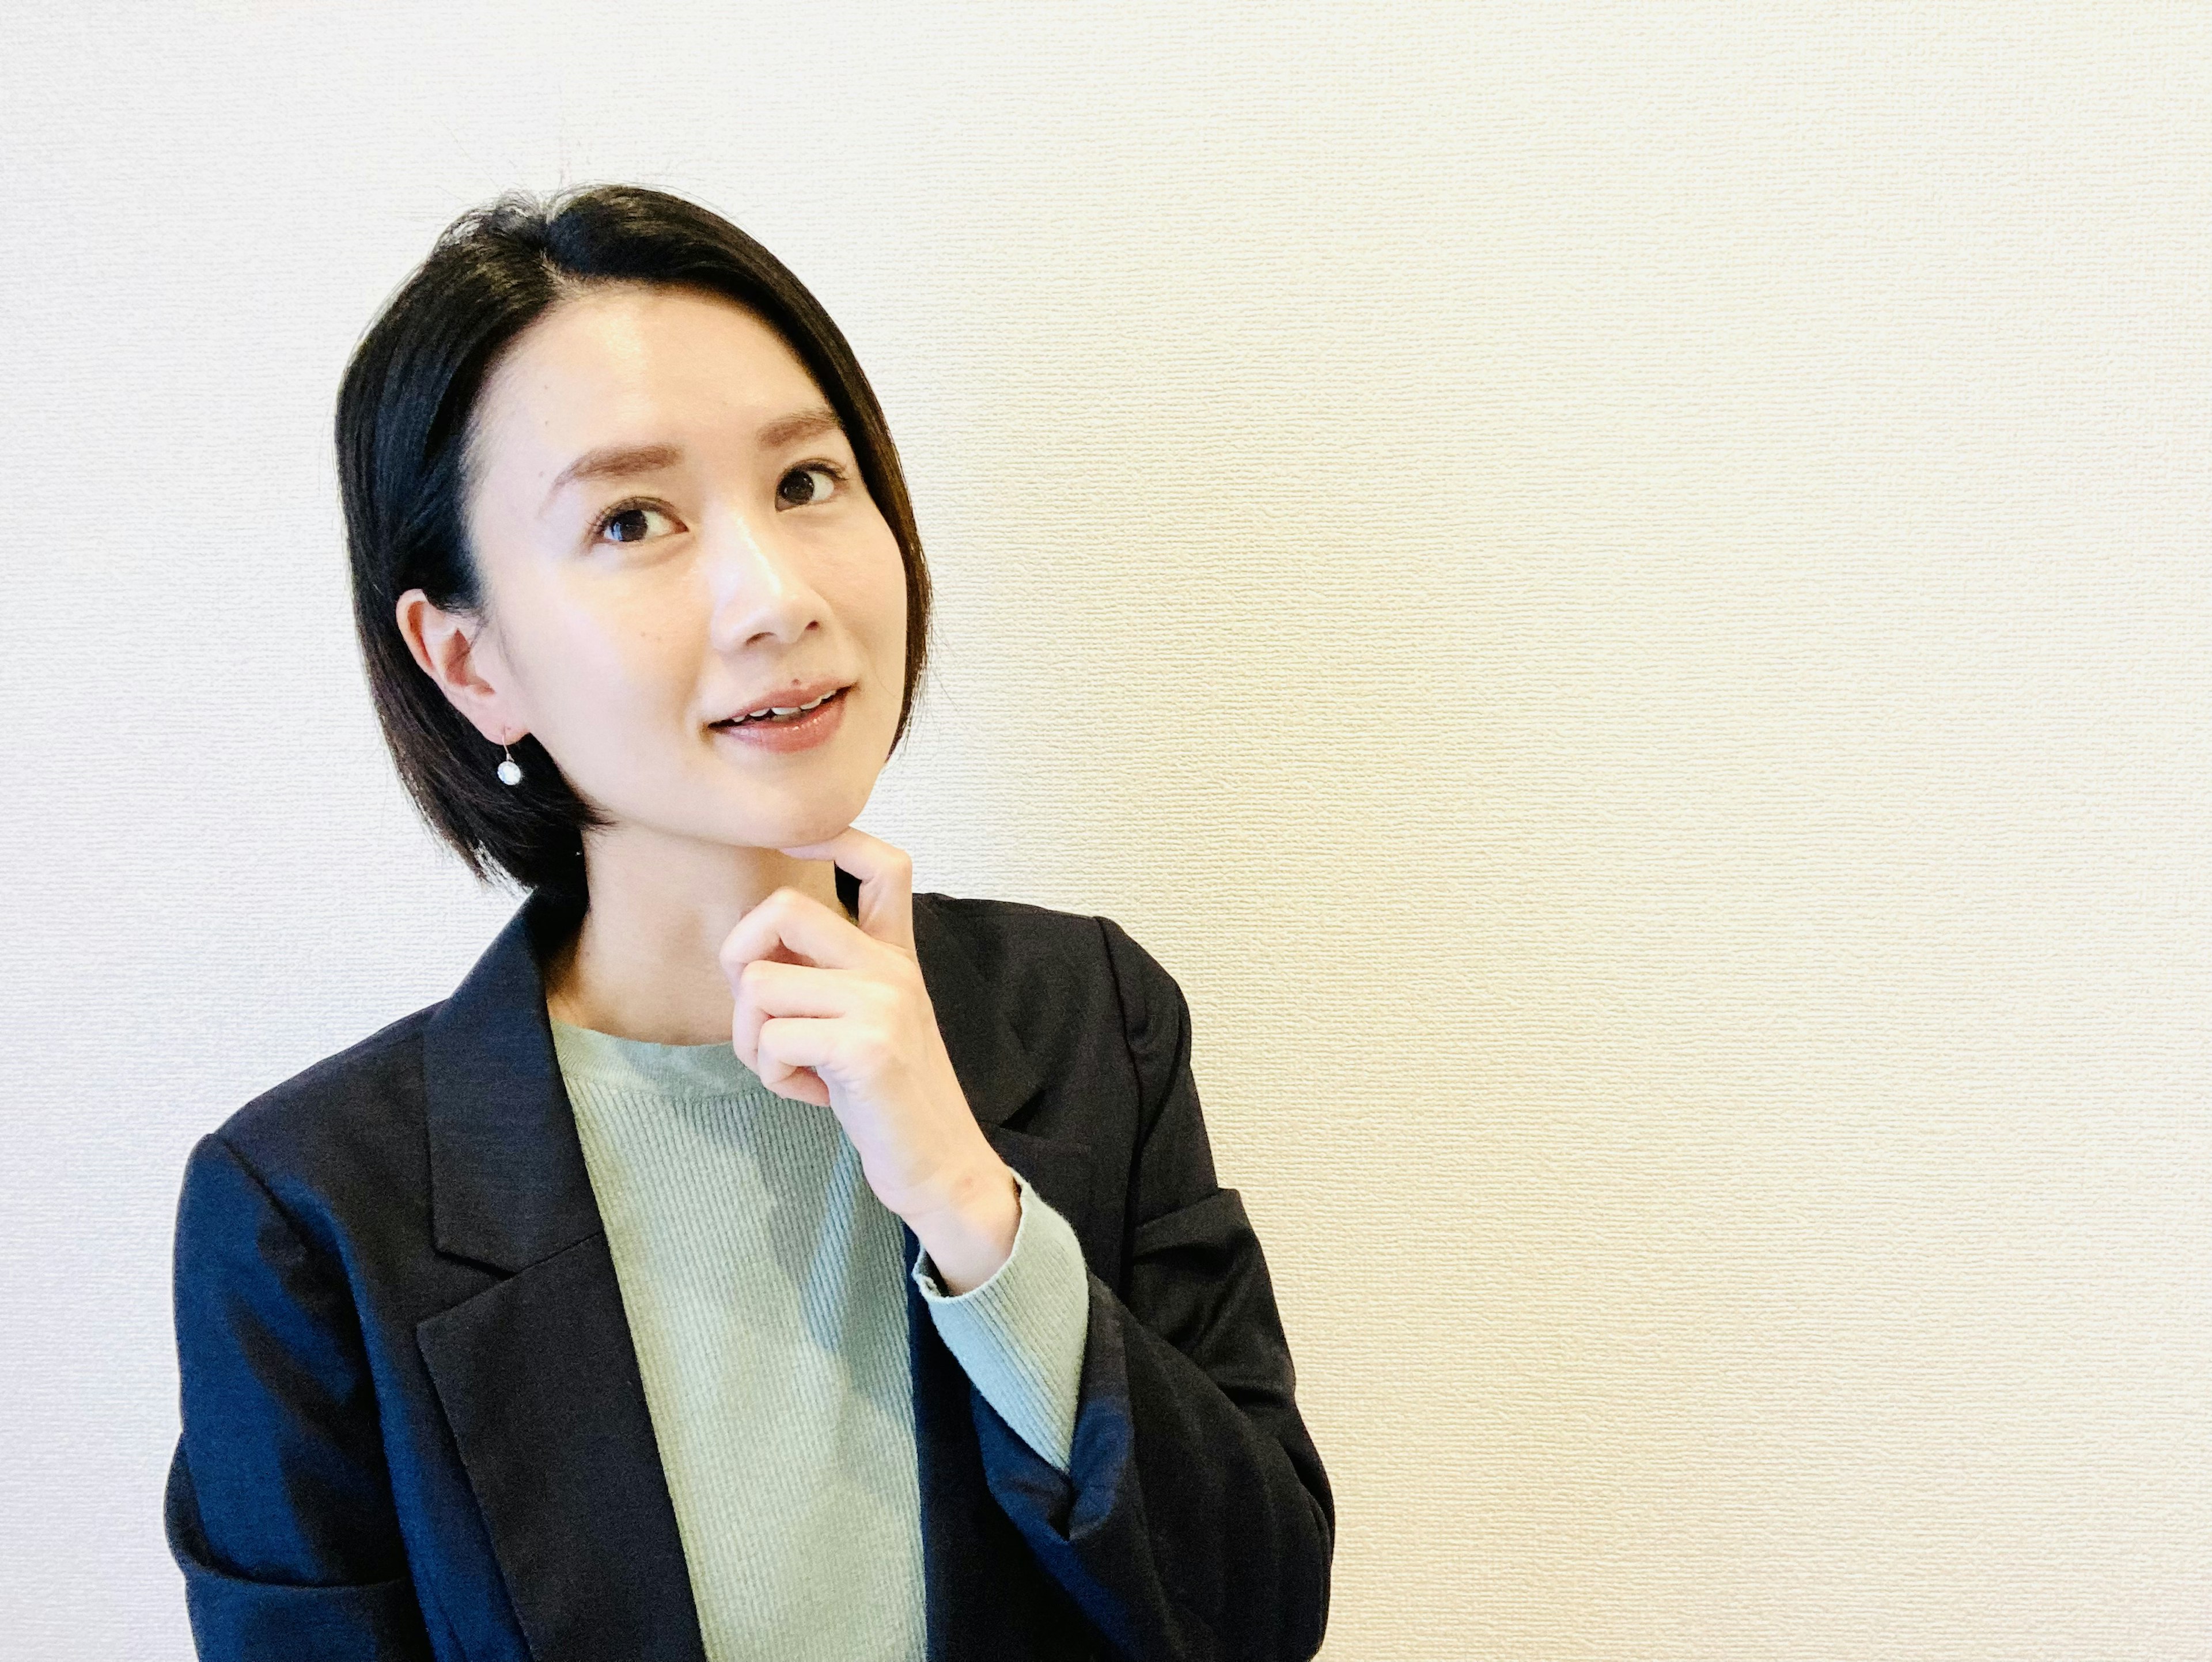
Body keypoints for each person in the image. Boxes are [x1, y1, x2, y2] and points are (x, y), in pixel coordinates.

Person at [161, 184, 1334, 1661]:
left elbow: (1260, 1619)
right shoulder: (311, 1213)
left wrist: (976, 1216)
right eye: (632, 519)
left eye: (805, 484)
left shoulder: (1088, 1021)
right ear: (469, 664)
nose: (774, 597)